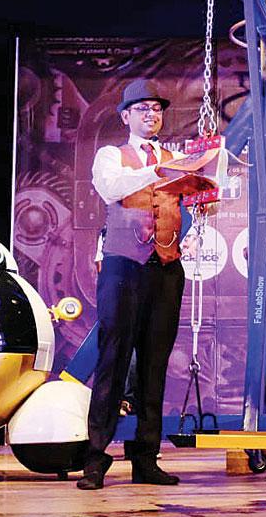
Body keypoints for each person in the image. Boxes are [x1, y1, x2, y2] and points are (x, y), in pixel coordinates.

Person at [80, 79, 190, 490]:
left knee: (154, 364)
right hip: (123, 267)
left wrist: (202, 185)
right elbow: (113, 188)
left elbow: (195, 194)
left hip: (165, 267)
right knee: (113, 358)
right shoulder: (112, 155)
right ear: (126, 116)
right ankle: (95, 458)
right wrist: (161, 169)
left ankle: (146, 457)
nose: (151, 115)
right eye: (142, 109)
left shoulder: (176, 156)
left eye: (156, 109)